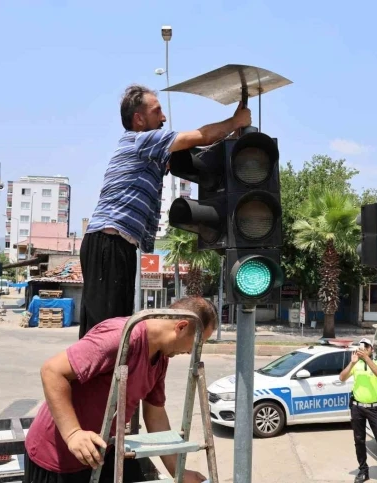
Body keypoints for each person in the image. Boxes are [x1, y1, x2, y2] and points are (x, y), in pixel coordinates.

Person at [78, 84, 252, 339]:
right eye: (157, 111)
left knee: (113, 328)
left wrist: (231, 133)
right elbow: (201, 136)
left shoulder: (151, 151)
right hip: (109, 242)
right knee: (107, 333)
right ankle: (91, 376)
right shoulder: (142, 140)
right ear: (139, 119)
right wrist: (235, 120)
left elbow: (202, 151)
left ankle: (104, 377)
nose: (164, 117)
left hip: (117, 244)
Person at [23, 297, 217, 483]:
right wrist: (73, 433)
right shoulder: (121, 337)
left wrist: (178, 471)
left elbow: (155, 414)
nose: (193, 351)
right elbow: (52, 371)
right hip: (56, 458)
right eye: (197, 342)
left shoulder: (161, 358)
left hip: (99, 453)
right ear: (181, 327)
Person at [339, 338, 377, 483]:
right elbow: (342, 377)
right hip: (358, 407)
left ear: (371, 349)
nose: (363, 349)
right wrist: (352, 362)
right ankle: (363, 470)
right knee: (359, 440)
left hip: (375, 408)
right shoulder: (356, 364)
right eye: (361, 347)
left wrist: (367, 359)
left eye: (366, 347)